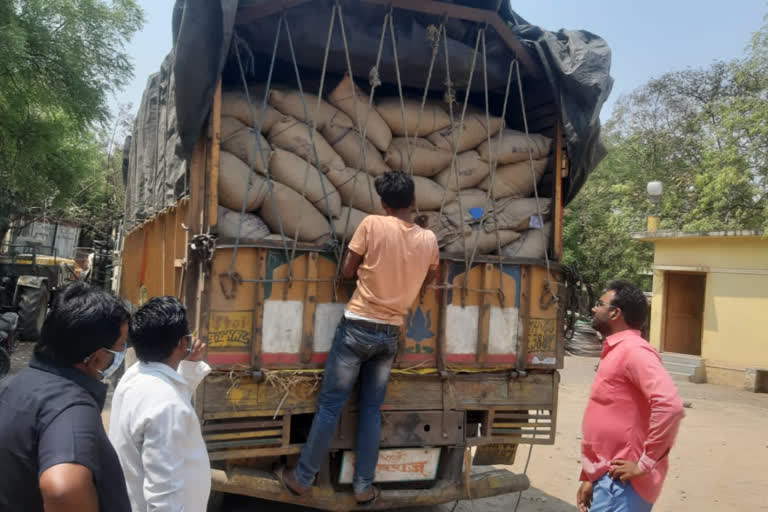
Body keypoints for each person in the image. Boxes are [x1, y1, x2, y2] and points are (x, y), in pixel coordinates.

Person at [276, 171, 439, 505]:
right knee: (370, 410)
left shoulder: (372, 224)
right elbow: (433, 274)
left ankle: (303, 478)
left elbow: (348, 270)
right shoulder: (429, 239)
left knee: (331, 406)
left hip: (357, 327)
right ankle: (364, 486)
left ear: (383, 204)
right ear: (412, 202)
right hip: (390, 334)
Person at [0, 282, 131, 512]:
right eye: (119, 347)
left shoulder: (13, 385)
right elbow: (63, 489)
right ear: (96, 357)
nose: (120, 355)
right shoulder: (71, 407)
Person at [577, 280, 685, 512]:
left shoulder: (635, 351)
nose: (594, 309)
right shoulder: (617, 350)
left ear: (616, 312)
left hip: (622, 484)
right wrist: (589, 476)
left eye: (600, 304)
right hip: (607, 479)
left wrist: (645, 464)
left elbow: (670, 406)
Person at [108, 296, 211, 512]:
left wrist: (190, 366)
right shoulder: (166, 404)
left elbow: (171, 391)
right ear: (184, 343)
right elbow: (164, 494)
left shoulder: (136, 375)